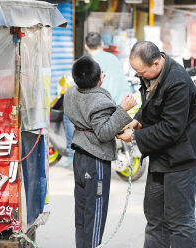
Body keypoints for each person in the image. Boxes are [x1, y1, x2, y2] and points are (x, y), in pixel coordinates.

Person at [117, 41, 196, 248]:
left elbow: (171, 128)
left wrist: (135, 137)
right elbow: (149, 106)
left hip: (183, 158)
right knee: (155, 218)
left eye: (141, 72)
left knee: (179, 220)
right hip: (161, 155)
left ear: (156, 63)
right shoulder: (153, 75)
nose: (139, 76)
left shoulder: (177, 82)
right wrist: (137, 120)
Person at [64, 55, 136, 248]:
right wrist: (123, 109)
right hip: (95, 158)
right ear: (99, 78)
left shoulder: (70, 93)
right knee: (95, 210)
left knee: (82, 209)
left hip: (79, 155)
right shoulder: (98, 100)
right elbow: (103, 133)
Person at [85, 32, 131, 105]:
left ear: (86, 46)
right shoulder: (113, 57)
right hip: (127, 101)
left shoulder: (89, 63)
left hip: (107, 105)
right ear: (102, 44)